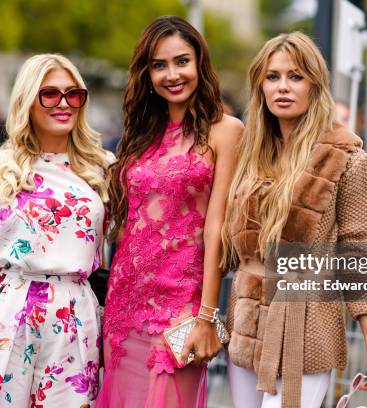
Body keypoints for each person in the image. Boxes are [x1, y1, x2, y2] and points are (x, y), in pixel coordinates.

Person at [221, 32, 367, 408]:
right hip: (247, 316)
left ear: (315, 84)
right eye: (273, 76)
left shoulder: (346, 158)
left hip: (306, 320)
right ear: (259, 86)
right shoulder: (251, 154)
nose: (283, 87)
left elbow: (356, 252)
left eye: (295, 76)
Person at [0, 54, 113, 407]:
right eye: (49, 94)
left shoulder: (104, 171)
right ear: (27, 100)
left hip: (75, 317)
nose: (64, 103)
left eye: (73, 94)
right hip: (7, 310)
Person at [97, 16, 243, 407]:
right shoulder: (140, 133)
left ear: (200, 63)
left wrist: (207, 316)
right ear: (147, 74)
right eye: (159, 65)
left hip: (183, 307)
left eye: (182, 61)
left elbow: (217, 228)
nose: (171, 74)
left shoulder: (226, 130)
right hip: (124, 304)